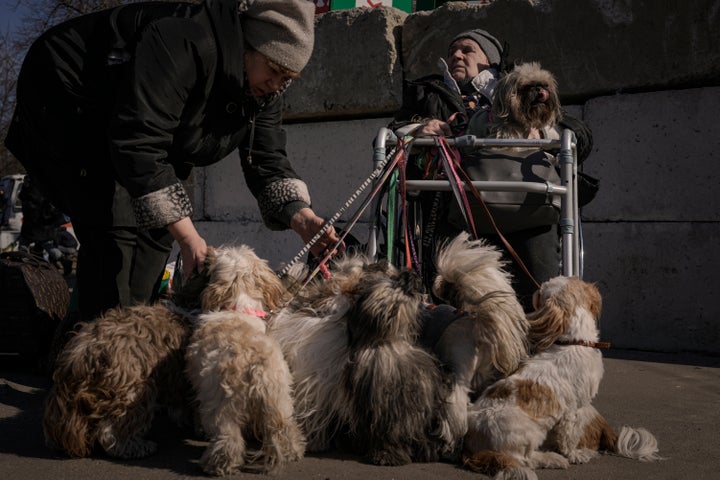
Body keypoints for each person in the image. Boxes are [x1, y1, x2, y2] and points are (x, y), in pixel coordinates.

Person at [4, 0, 341, 321]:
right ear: (248, 46)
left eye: (287, 79)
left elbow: (266, 157)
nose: (277, 85)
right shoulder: (184, 40)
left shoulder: (265, 91)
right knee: (114, 230)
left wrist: (302, 218)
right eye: (273, 70)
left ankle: (120, 335)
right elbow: (137, 141)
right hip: (68, 98)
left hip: (143, 131)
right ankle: (103, 357)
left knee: (155, 236)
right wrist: (188, 237)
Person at [389, 28, 594, 309]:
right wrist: (419, 129)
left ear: (491, 61)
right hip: (453, 207)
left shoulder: (525, 88)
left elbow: (580, 136)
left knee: (540, 288)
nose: (456, 56)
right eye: (452, 52)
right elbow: (390, 136)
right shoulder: (429, 93)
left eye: (467, 49)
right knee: (450, 291)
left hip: (527, 205)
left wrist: (546, 130)